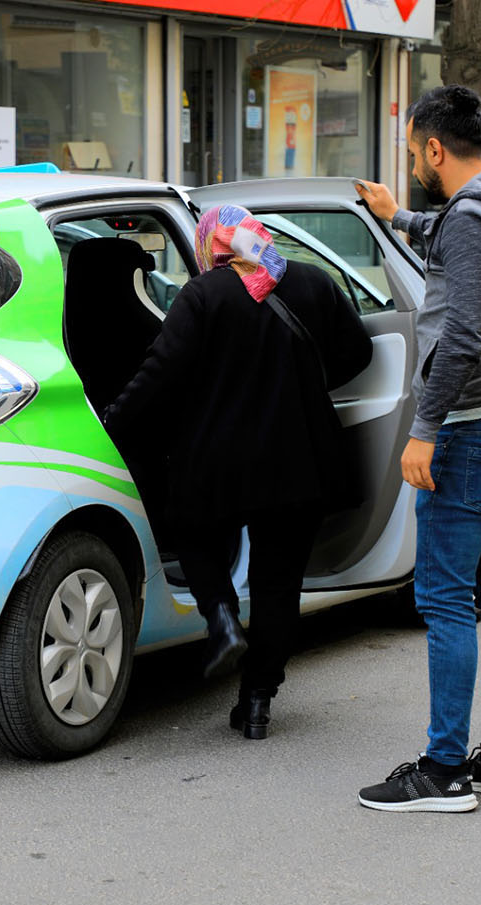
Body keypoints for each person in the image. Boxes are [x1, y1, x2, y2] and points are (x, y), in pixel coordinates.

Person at [102, 204, 372, 739]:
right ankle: (256, 702)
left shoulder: (203, 295)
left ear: (211, 245)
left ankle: (222, 617)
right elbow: (359, 352)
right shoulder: (314, 283)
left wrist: (113, 417)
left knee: (192, 531)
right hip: (300, 461)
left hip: (220, 459)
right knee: (279, 584)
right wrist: (306, 384)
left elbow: (160, 370)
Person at [355, 84, 481, 812]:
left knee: (444, 600)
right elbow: (457, 242)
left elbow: (463, 333)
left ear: (436, 148)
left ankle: (442, 771)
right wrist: (394, 216)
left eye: (414, 156)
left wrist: (424, 430)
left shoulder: (472, 221)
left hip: (473, 432)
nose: (416, 164)